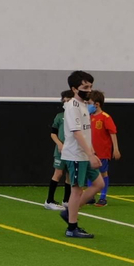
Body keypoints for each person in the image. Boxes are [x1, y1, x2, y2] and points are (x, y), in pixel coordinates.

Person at [59, 70, 100, 239]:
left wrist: (91, 152)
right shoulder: (72, 107)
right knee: (76, 190)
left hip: (84, 154)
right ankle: (72, 227)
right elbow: (76, 133)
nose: (89, 89)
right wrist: (90, 154)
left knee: (99, 184)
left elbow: (84, 132)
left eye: (90, 86)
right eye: (85, 86)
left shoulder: (84, 105)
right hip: (76, 155)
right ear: (75, 89)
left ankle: (70, 212)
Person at [88, 90, 121, 207]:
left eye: (89, 103)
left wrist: (115, 149)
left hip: (103, 151)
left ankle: (103, 197)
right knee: (89, 172)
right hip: (91, 151)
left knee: (102, 173)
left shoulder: (105, 117)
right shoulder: (89, 117)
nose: (88, 105)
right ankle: (90, 196)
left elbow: (113, 133)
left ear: (96, 104)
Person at [44, 89, 72, 210]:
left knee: (69, 175)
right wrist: (59, 144)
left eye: (68, 100)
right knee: (58, 173)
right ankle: (49, 200)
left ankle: (66, 200)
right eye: (64, 101)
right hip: (61, 151)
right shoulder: (60, 117)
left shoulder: (78, 117)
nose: (66, 103)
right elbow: (53, 133)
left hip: (72, 151)